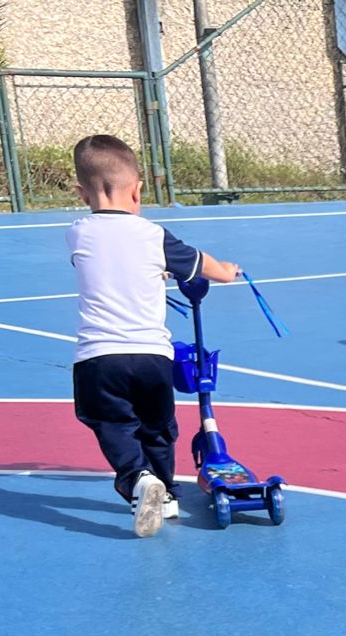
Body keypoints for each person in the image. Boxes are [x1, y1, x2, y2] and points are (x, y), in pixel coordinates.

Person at [66, 134, 240, 538]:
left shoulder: (78, 232)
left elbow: (109, 259)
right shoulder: (154, 236)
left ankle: (137, 478)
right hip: (152, 356)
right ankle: (168, 494)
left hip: (99, 357)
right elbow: (202, 265)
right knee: (158, 427)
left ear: (80, 193)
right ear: (138, 189)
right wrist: (227, 271)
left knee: (111, 422)